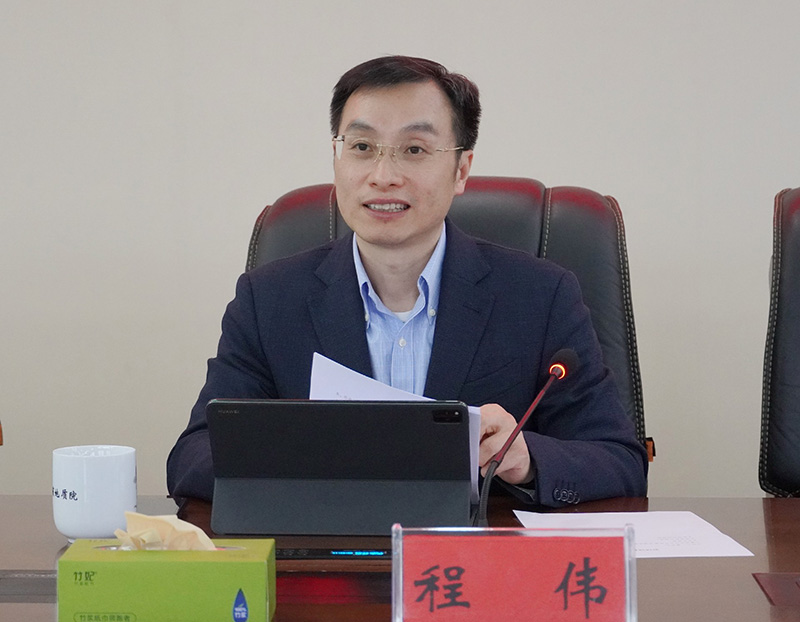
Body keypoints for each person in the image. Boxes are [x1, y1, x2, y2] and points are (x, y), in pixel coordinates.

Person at [167, 55, 648, 508]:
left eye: (414, 150)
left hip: (474, 556)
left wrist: (528, 460)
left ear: (461, 170)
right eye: (361, 148)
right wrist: (305, 459)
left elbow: (620, 462)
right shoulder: (268, 299)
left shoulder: (540, 296)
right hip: (325, 551)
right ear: (336, 158)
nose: (383, 176)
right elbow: (192, 457)